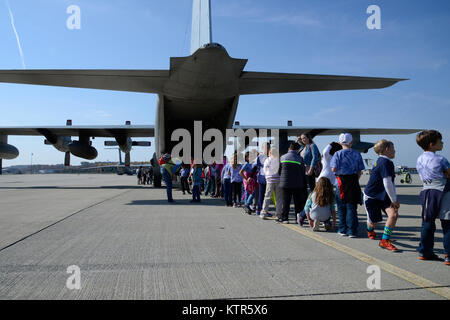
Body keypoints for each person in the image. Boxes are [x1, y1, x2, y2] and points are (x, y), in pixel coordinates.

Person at [415, 130, 450, 265]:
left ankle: (425, 251)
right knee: (447, 224)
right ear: (431, 144)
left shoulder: (419, 159)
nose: (442, 143)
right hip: (443, 191)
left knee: (427, 223)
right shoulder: (441, 159)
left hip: (427, 191)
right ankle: (448, 255)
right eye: (440, 141)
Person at [363, 140, 400, 251]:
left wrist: (394, 199)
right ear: (387, 149)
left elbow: (391, 184)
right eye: (393, 148)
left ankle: (385, 240)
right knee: (373, 223)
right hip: (372, 197)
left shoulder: (383, 161)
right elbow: (387, 183)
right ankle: (369, 230)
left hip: (383, 196)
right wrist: (394, 200)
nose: (395, 151)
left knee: (393, 215)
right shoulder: (385, 162)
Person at [298, 142, 342, 225]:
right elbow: (325, 151)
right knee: (316, 199)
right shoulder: (328, 157)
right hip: (322, 180)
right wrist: (331, 144)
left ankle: (325, 220)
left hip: (330, 181)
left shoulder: (335, 157)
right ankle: (302, 215)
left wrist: (331, 144)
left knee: (325, 200)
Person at [331, 133, 365, 238]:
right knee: (352, 207)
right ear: (352, 142)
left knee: (341, 207)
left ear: (339, 143)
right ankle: (352, 230)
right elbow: (360, 170)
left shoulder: (337, 154)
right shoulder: (357, 154)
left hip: (341, 182)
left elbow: (333, 169)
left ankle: (342, 229)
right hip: (353, 181)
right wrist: (356, 179)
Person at [279, 143, 308, 224]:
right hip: (297, 183)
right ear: (297, 150)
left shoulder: (282, 157)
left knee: (286, 201)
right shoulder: (299, 158)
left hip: (285, 183)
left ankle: (285, 218)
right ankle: (297, 218)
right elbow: (303, 171)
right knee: (297, 202)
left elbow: (279, 170)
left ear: (289, 148)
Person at [261, 147, 282, 220]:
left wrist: (267, 176)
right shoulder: (279, 160)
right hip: (278, 180)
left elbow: (264, 170)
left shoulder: (267, 160)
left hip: (269, 180)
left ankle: (264, 212)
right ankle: (279, 214)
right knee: (278, 198)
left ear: (270, 152)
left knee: (267, 196)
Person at [255, 142, 270, 215]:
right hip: (262, 177)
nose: (266, 149)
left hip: (269, 177)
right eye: (265, 147)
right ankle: (260, 210)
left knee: (266, 195)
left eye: (268, 147)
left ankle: (263, 210)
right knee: (262, 194)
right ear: (262, 148)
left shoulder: (270, 156)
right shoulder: (260, 156)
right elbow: (255, 167)